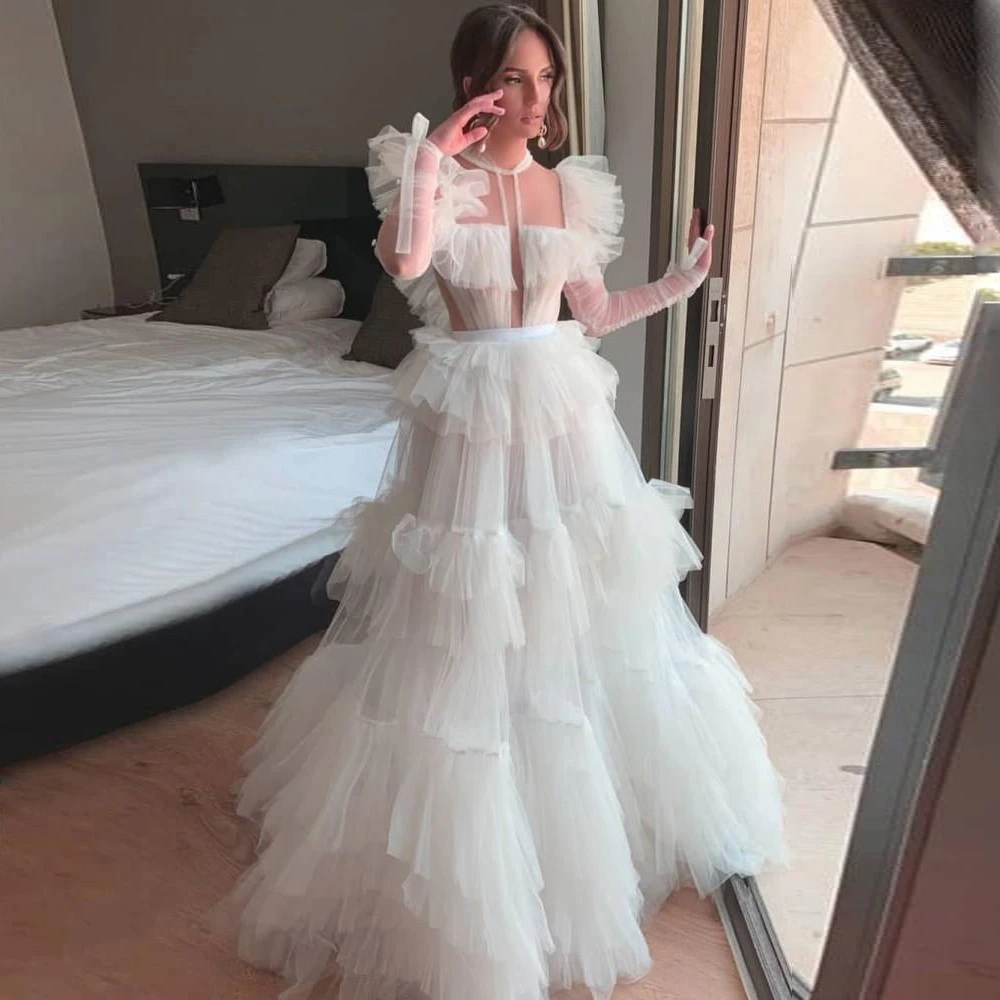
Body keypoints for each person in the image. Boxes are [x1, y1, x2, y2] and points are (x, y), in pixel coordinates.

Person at [214, 5, 786, 999]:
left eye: (546, 79)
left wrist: (680, 283)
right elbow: (403, 263)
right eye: (516, 78)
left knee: (582, 605)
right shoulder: (429, 175)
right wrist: (435, 155)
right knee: (469, 622)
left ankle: (589, 821)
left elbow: (593, 313)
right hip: (472, 418)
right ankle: (471, 856)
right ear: (475, 84)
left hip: (561, 413)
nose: (536, 98)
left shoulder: (572, 186)